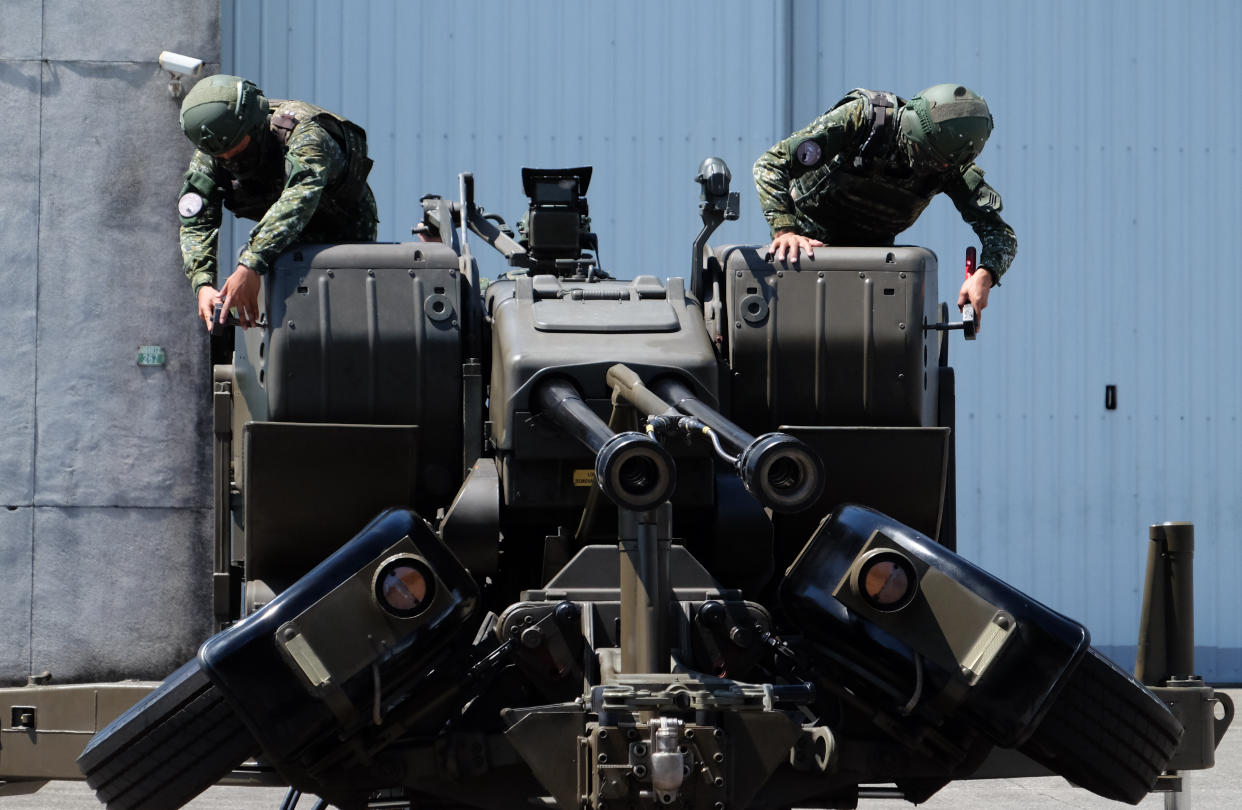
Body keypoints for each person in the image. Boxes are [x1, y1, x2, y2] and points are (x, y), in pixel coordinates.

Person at [754, 84, 1016, 327]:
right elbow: (770, 165)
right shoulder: (865, 120)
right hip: (804, 259)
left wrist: (985, 275)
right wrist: (784, 230)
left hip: (871, 272)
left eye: (932, 162)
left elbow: (1001, 235)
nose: (919, 165)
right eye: (917, 151)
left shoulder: (950, 168)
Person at [177, 74, 378, 331]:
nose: (230, 161)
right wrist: (202, 282)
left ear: (254, 127)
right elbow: (196, 218)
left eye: (237, 150)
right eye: (222, 157)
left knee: (346, 322)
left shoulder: (305, 133)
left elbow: (299, 198)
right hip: (282, 242)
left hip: (345, 233)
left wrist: (251, 262)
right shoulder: (216, 146)